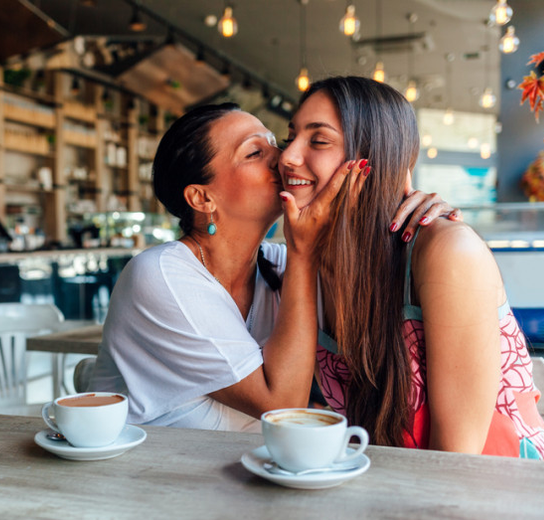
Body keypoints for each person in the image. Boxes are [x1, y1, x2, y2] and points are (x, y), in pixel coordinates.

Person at [89, 101, 459, 432]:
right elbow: (281, 404)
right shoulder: (160, 274)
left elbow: (371, 281)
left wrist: (412, 208)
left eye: (274, 142)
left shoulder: (277, 265)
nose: (282, 157)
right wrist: (302, 251)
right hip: (147, 487)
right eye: (253, 152)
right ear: (202, 197)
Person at [282, 76, 544, 461]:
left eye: (318, 141)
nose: (287, 156)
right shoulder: (309, 264)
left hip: (501, 496)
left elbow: (456, 463)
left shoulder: (447, 251)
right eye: (290, 137)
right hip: (391, 491)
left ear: (374, 161)